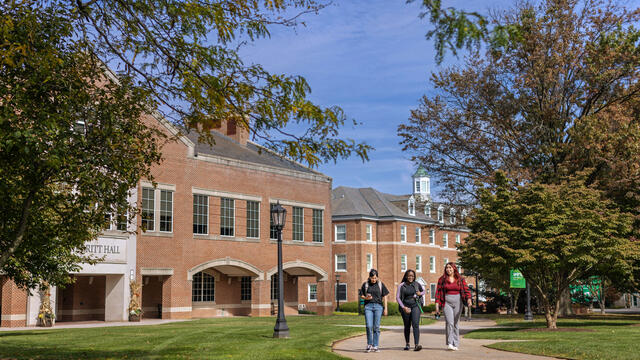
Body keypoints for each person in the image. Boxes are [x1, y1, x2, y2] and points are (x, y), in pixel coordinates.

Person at [434, 262, 472, 351]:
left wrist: (469, 299)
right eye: (447, 268)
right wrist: (437, 307)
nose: (448, 269)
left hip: (458, 301)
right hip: (446, 302)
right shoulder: (442, 279)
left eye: (450, 267)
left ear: (454, 268)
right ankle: (450, 343)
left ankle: (456, 343)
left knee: (455, 323)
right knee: (449, 322)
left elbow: (466, 290)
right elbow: (438, 293)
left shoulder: (460, 279)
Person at [360, 269, 389, 353]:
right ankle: (369, 344)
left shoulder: (380, 284)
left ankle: (375, 345)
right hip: (368, 307)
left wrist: (385, 308)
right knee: (369, 326)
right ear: (369, 277)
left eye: (375, 278)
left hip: (378, 307)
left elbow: (385, 296)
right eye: (372, 278)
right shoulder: (365, 284)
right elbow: (361, 295)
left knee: (376, 327)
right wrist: (366, 298)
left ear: (377, 277)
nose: (374, 279)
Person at [396, 269, 424, 351]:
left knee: (415, 324)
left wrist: (420, 293)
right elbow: (397, 297)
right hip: (405, 306)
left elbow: (424, 291)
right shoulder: (401, 285)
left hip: (415, 306)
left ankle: (416, 345)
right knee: (407, 325)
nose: (410, 277)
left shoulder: (417, 284)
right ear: (406, 276)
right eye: (409, 276)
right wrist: (403, 307)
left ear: (414, 277)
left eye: (412, 276)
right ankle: (407, 344)